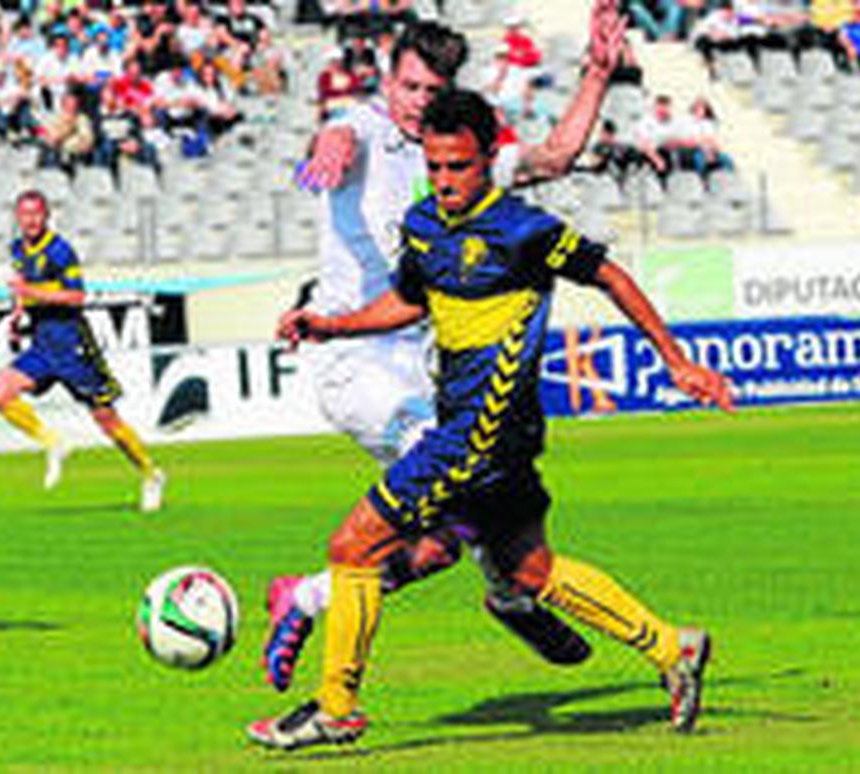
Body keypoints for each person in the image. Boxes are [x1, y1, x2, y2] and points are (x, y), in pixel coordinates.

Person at [248, 88, 728, 751]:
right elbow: (410, 303)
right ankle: (672, 647)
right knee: (529, 571)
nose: (445, 181)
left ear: (489, 158)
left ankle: (337, 708)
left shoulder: (523, 230)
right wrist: (330, 324)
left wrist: (675, 359)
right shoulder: (422, 226)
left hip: (478, 436)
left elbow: (610, 275)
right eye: (436, 166)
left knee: (352, 547)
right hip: (483, 436)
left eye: (460, 167)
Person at [262, 5, 629, 694]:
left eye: (432, 92)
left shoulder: (454, 150)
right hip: (355, 362)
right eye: (408, 88)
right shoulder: (364, 126)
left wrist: (597, 76)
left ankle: (305, 597)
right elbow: (340, 136)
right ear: (387, 81)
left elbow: (555, 157)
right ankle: (512, 594)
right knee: (462, 476)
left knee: (436, 544)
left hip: (427, 370)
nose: (417, 103)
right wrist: (329, 147)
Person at [0, 190, 167, 513]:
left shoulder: (60, 251)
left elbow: (77, 297)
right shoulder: (17, 249)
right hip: (43, 345)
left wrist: (31, 293)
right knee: (1, 394)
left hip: (73, 345)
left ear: (46, 216)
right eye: (24, 214)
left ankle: (150, 474)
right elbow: (20, 286)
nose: (30, 220)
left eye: (36, 214)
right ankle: (54, 442)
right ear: (17, 217)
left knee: (106, 420)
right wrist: (17, 315)